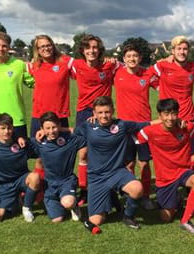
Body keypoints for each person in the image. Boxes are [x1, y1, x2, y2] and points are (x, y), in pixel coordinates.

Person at [73, 96, 148, 232]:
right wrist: (44, 131)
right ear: (94, 114)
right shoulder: (88, 126)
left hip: (117, 172)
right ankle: (110, 198)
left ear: (113, 110)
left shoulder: (122, 125)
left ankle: (128, 216)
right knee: (97, 220)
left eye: (107, 112)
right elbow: (71, 132)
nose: (104, 116)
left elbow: (146, 124)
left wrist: (168, 120)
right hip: (97, 177)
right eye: (100, 113)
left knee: (137, 189)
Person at [136, 99, 194, 235]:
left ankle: (185, 221)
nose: (170, 118)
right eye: (166, 114)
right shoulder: (149, 132)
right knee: (166, 218)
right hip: (164, 178)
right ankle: (178, 200)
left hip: (182, 171)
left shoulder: (186, 127)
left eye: (174, 114)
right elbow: (132, 134)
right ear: (160, 115)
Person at [70, 34, 119, 206]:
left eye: (95, 47)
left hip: (103, 113)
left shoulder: (109, 65)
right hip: (84, 113)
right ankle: (84, 189)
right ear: (82, 50)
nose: (91, 51)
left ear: (99, 50)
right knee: (83, 153)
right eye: (88, 47)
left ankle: (109, 188)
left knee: (104, 153)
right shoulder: (75, 65)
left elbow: (129, 65)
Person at [149, 35, 194, 181]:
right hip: (168, 119)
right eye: (178, 49)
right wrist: (158, 87)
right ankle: (171, 190)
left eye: (185, 49)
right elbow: (146, 75)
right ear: (172, 51)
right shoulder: (162, 66)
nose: (182, 52)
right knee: (171, 159)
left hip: (188, 117)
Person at [27, 35, 74, 197]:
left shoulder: (65, 62)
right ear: (37, 50)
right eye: (41, 47)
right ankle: (39, 191)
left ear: (53, 46)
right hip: (39, 116)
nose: (45, 49)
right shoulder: (33, 65)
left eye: (48, 45)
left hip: (59, 117)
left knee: (59, 156)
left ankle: (61, 188)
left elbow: (86, 67)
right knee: (41, 157)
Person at [113, 44, 158, 210]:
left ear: (140, 58)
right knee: (128, 164)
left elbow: (163, 87)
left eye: (135, 56)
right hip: (124, 126)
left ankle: (146, 196)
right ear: (124, 59)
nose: (132, 59)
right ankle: (130, 194)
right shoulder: (117, 74)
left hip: (144, 126)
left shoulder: (147, 75)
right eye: (129, 56)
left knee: (144, 163)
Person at [25, 112, 86, 223]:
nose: (51, 131)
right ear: (41, 129)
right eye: (47, 128)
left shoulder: (70, 139)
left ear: (59, 125)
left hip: (66, 180)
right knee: (57, 219)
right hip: (50, 184)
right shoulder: (38, 141)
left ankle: (73, 205)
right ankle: (60, 201)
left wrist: (64, 129)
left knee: (68, 203)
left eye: (54, 127)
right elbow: (20, 143)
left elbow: (85, 133)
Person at [0, 31, 34, 137]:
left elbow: (35, 83)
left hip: (17, 120)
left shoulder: (19, 65)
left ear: (9, 47)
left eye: (4, 46)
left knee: (20, 152)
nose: (0, 48)